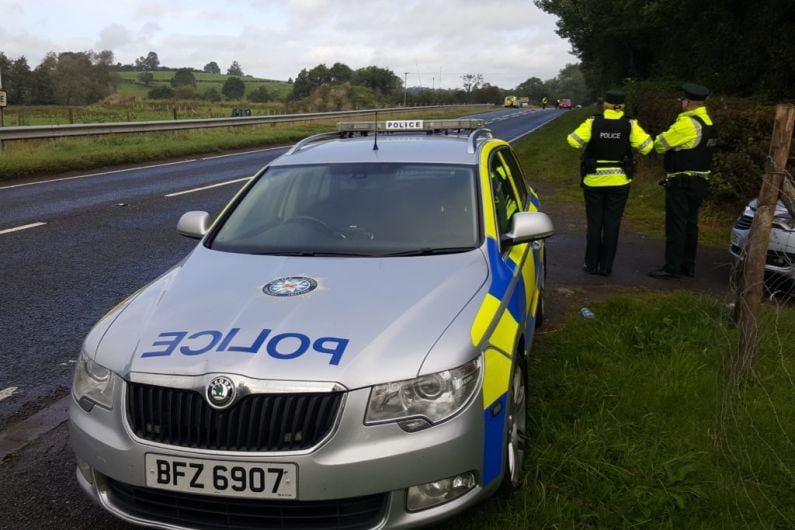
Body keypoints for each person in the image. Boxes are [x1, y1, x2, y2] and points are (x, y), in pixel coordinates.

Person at [567, 89, 653, 276]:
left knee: (595, 223)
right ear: (622, 106)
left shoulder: (593, 123)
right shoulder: (630, 124)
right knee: (612, 224)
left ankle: (590, 265)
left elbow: (572, 141)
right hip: (620, 182)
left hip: (593, 181)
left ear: (605, 104)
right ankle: (606, 267)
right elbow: (647, 147)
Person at [648, 83, 718, 280]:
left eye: (682, 99)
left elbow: (660, 144)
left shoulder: (687, 124)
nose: (681, 102)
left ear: (687, 103)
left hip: (681, 182)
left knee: (676, 226)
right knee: (690, 225)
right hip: (700, 181)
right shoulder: (708, 122)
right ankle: (689, 265)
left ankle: (672, 268)